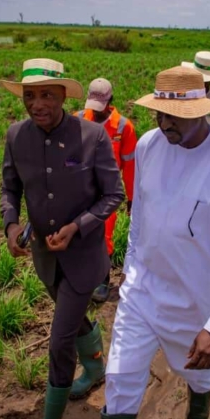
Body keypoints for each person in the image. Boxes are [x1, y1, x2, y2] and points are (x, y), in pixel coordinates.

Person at [100, 66, 210, 419]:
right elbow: (138, 212)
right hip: (142, 291)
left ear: (204, 112)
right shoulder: (149, 145)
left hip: (198, 302)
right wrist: (130, 266)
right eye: (160, 112)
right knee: (120, 381)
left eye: (175, 116)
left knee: (199, 375)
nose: (164, 123)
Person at [0, 58, 124, 419]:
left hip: (84, 258)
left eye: (47, 96)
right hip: (44, 257)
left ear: (63, 96)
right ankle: (95, 366)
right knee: (70, 321)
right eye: (30, 95)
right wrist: (11, 224)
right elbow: (10, 188)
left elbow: (113, 195)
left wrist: (77, 227)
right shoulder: (16, 135)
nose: (37, 104)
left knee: (58, 342)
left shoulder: (92, 137)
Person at [75, 78, 138, 302]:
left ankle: (102, 280)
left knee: (104, 236)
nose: (96, 113)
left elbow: (130, 166)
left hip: (107, 193)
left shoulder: (123, 127)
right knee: (78, 232)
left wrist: (132, 198)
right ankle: (80, 276)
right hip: (79, 189)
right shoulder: (79, 119)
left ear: (110, 100)